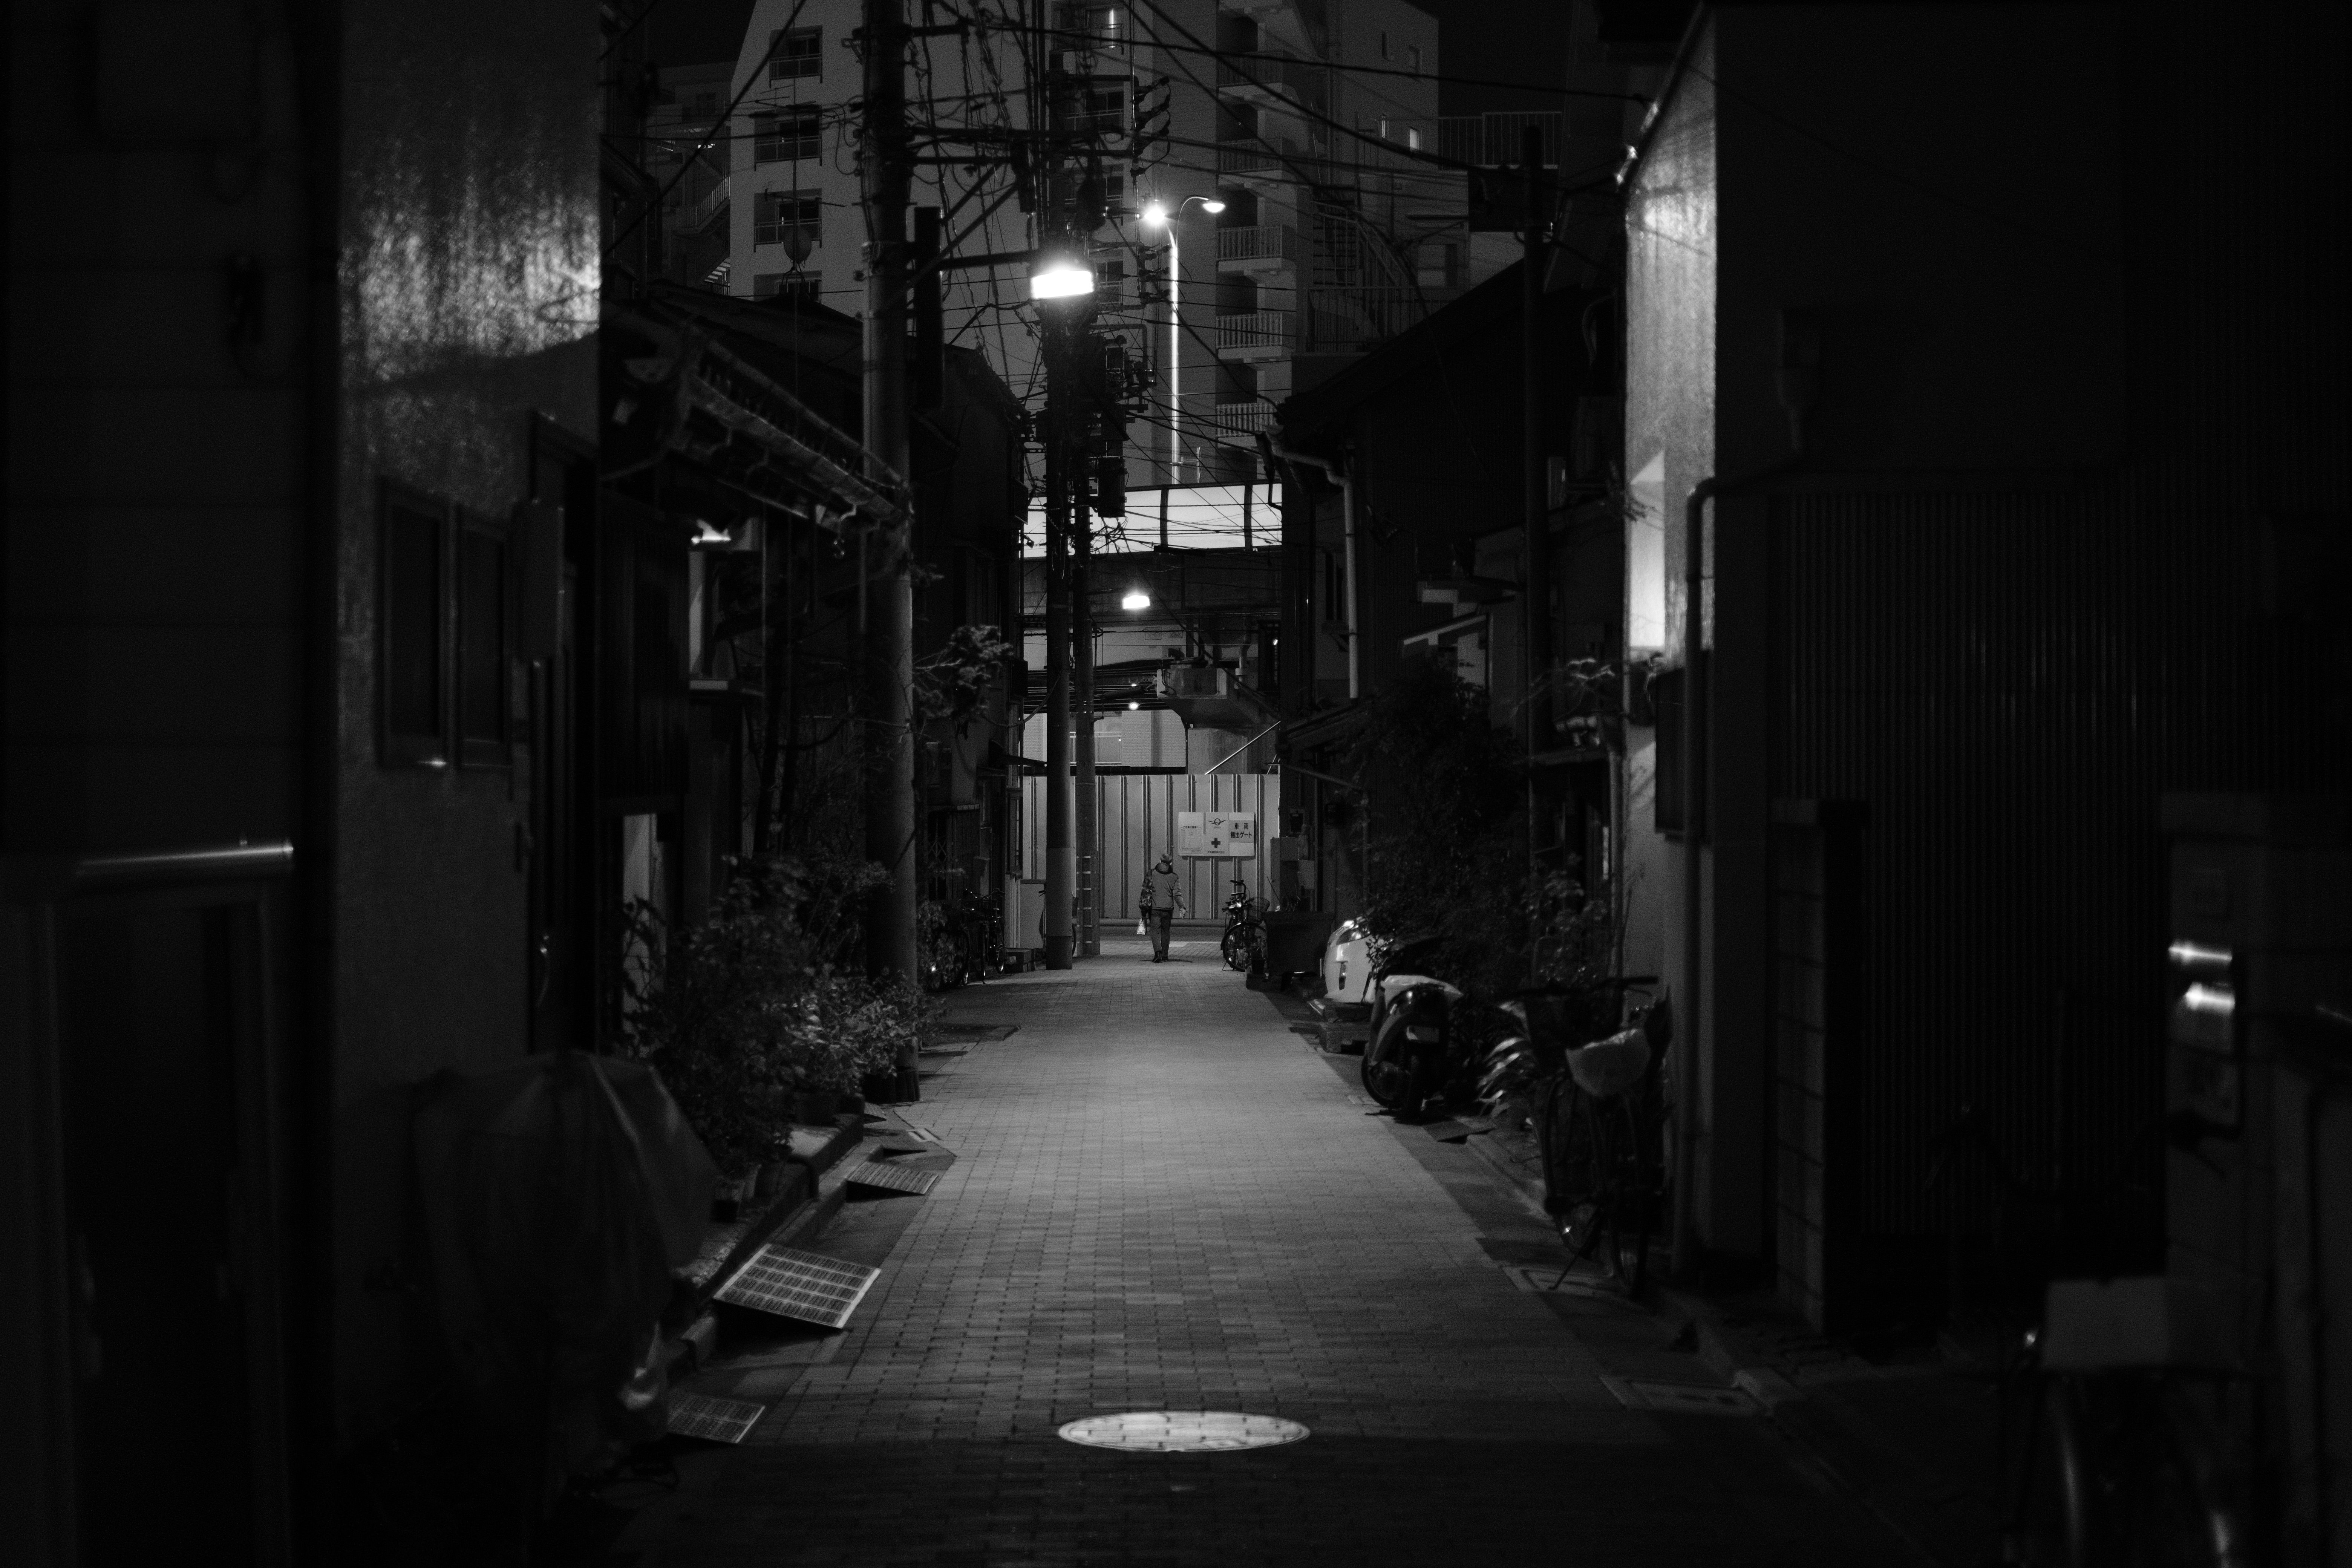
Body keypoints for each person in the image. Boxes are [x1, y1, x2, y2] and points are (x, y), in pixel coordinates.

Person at [1139, 851, 1184, 962]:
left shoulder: (1151, 874)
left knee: (1155, 931)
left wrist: (1143, 908)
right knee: (1166, 931)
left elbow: (1145, 890)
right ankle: (1165, 956)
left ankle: (1158, 954)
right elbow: (1177, 894)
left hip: (1155, 908)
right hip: (1168, 909)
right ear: (1171, 863)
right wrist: (1182, 907)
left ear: (1160, 861)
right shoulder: (1175, 877)